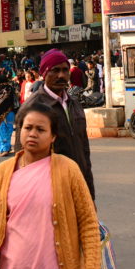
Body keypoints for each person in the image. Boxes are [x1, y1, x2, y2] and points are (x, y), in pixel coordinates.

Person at [0, 102, 100, 269]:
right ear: (20, 130)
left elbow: (88, 223)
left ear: (53, 137)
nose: (32, 133)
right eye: (28, 127)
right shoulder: (2, 172)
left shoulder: (68, 169)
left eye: (40, 129)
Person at [27, 49, 95, 199]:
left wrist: (90, 195)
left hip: (79, 187)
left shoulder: (74, 104)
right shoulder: (33, 107)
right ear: (44, 73)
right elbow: (25, 161)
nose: (61, 75)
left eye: (65, 70)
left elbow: (84, 151)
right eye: (55, 70)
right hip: (50, 194)